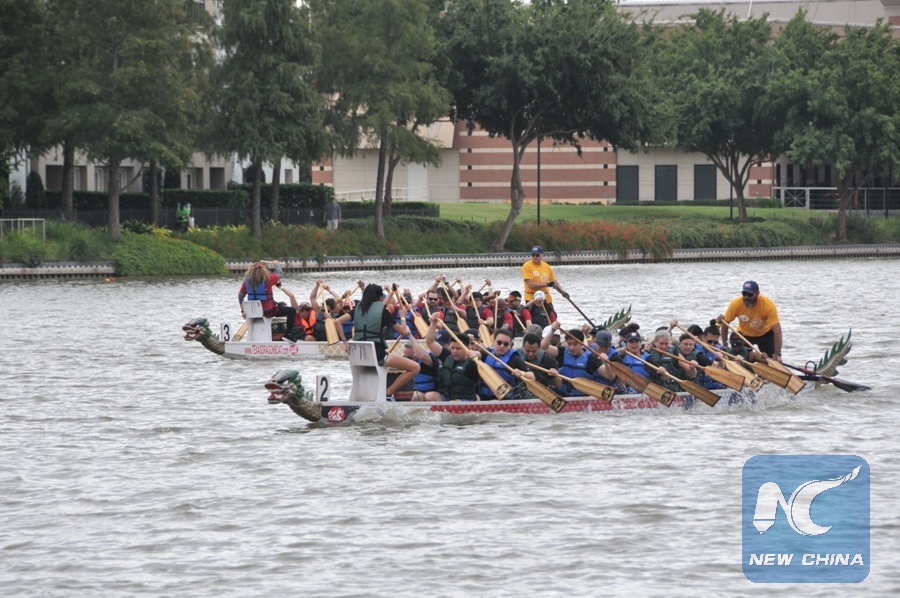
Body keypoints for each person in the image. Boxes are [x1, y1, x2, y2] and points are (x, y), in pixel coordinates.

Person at [352, 283, 420, 398]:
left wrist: (392, 292)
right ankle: (388, 393)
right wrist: (403, 316)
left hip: (359, 357)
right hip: (379, 356)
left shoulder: (357, 310)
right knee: (415, 368)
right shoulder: (383, 313)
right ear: (380, 297)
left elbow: (337, 322)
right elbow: (403, 332)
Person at [719, 280, 783, 362]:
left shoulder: (768, 306)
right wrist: (725, 345)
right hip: (744, 335)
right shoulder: (736, 304)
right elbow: (725, 324)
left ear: (758, 293)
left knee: (771, 360)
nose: (746, 297)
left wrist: (778, 354)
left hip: (765, 334)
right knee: (741, 359)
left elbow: (777, 331)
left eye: (750, 294)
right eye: (744, 294)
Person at [238, 261, 296, 332]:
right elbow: (280, 274)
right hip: (268, 311)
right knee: (292, 311)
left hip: (253, 312)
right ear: (263, 271)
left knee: (280, 304)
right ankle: (288, 334)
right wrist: (276, 264)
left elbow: (240, 296)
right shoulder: (268, 279)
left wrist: (243, 311)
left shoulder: (246, 282)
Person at [476, 328, 533, 400]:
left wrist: (522, 373)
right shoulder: (487, 352)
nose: (502, 346)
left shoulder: (515, 358)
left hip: (504, 399)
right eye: (499, 342)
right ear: (493, 342)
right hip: (483, 397)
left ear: (511, 345)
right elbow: (476, 354)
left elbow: (532, 376)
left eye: (506, 344)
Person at [522, 246, 568, 321]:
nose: (535, 257)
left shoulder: (547, 266)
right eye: (533, 255)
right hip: (532, 298)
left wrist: (563, 293)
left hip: (546, 298)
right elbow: (531, 285)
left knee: (553, 318)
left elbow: (554, 282)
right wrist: (547, 284)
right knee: (534, 319)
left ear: (542, 255)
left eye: (537, 255)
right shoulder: (527, 266)